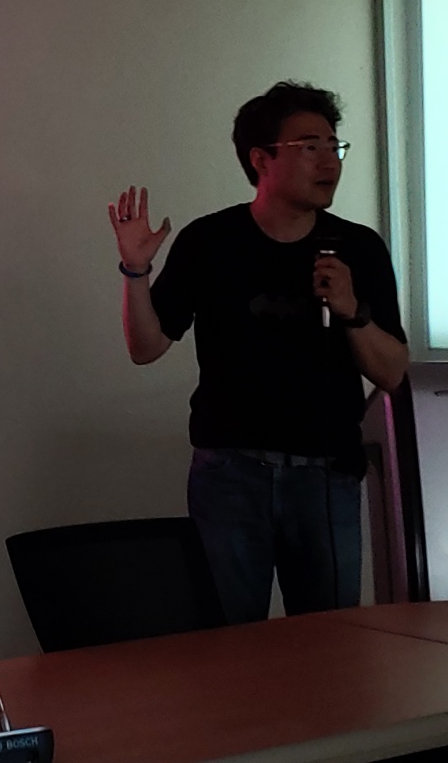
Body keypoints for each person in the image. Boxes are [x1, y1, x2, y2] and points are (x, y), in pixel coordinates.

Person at [110, 81, 409, 624]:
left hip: (326, 475)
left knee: (329, 643)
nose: (329, 161)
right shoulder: (210, 241)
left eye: (334, 145)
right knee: (227, 643)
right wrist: (135, 271)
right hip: (230, 475)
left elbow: (391, 372)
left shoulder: (358, 247)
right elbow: (145, 348)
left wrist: (351, 310)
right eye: (309, 146)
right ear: (261, 159)